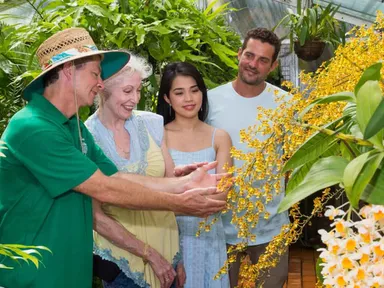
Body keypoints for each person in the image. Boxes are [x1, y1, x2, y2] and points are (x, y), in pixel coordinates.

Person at [0, 28, 227, 288]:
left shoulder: (72, 126)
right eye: (95, 74)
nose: (100, 84)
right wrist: (178, 203)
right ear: (68, 71)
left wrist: (183, 184)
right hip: (35, 275)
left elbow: (116, 176)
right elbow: (105, 189)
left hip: (69, 269)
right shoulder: (33, 127)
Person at [85, 54, 185, 288]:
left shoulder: (150, 123)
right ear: (103, 90)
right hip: (122, 265)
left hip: (168, 251)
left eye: (138, 90)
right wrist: (149, 255)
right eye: (128, 91)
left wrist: (177, 257)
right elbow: (95, 217)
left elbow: (172, 190)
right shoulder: (86, 138)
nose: (135, 99)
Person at [206, 28, 290, 288]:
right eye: (249, 55)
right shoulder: (209, 100)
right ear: (239, 53)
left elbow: (293, 161)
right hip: (219, 225)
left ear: (273, 65)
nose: (253, 64)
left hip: (271, 225)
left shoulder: (286, 104)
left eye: (263, 60)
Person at [157, 62, 232, 288]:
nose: (189, 98)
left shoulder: (219, 138)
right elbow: (155, 193)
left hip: (210, 238)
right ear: (167, 98)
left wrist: (179, 196)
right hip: (170, 239)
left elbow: (222, 196)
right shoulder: (157, 135)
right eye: (179, 92)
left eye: (194, 90)